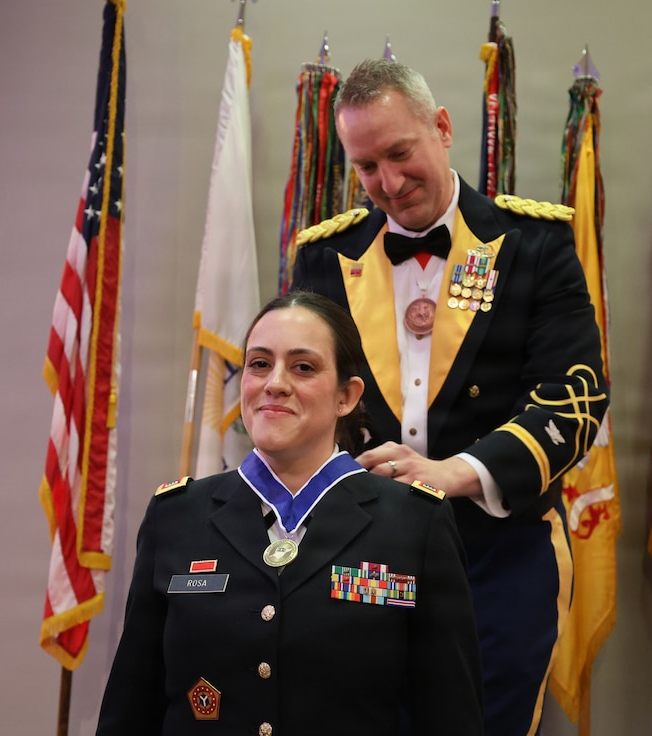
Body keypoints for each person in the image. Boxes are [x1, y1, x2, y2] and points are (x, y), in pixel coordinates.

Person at [291, 59, 608, 736]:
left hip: (496, 556)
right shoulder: (323, 257)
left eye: (400, 154)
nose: (389, 183)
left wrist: (452, 475)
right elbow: (302, 401)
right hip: (361, 555)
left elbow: (574, 400)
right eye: (367, 166)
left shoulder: (535, 245)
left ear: (442, 127)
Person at [97, 291, 483, 736]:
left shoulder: (414, 524)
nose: (274, 383)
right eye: (259, 364)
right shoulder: (176, 516)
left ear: (346, 396)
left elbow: (451, 715)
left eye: (303, 367)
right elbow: (131, 709)